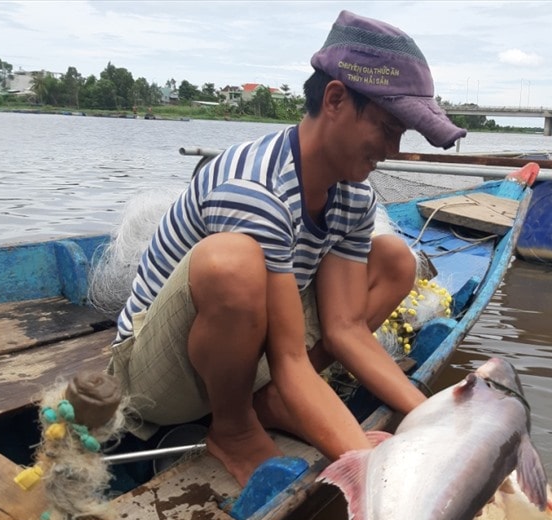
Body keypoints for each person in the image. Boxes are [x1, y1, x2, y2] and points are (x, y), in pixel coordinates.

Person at [108, 10, 466, 487]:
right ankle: (233, 429)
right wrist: (380, 471)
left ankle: (274, 400)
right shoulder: (253, 187)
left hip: (244, 357)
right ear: (336, 99)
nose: (393, 149)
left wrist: (437, 423)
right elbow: (291, 356)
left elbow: (345, 329)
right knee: (232, 263)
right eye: (386, 128)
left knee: (395, 262)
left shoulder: (352, 196)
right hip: (159, 377)